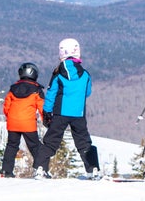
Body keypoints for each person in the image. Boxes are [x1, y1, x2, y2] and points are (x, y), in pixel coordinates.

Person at [32, 38, 100, 179]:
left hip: (60, 113)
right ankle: (93, 169)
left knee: (51, 141)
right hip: (78, 113)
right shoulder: (85, 74)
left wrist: (47, 112)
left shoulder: (58, 74)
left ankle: (40, 168)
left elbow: (51, 94)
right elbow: (87, 92)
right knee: (84, 142)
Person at [1, 62, 45, 177]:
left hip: (13, 122)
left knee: (11, 146)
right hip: (28, 123)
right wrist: (47, 120)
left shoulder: (13, 88)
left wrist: (10, 117)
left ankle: (6, 171)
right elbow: (42, 108)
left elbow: (6, 107)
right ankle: (41, 170)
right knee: (35, 147)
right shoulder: (37, 90)